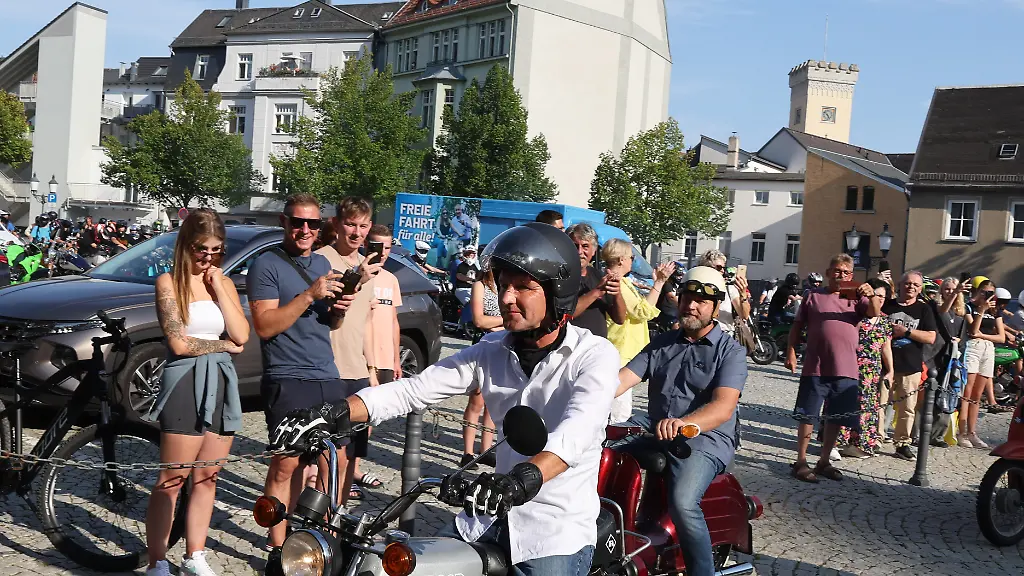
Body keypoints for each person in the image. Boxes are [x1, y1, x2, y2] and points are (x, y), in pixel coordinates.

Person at [273, 221, 619, 575]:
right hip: (486, 515)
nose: (507, 298)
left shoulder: (593, 356)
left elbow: (576, 433)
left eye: (523, 287)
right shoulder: (490, 350)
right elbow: (414, 389)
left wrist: (521, 479)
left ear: (557, 291)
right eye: (503, 286)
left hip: (553, 531)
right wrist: (331, 413)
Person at [246, 193, 356, 574]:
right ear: (284, 222)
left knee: (336, 462)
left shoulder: (324, 263)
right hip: (288, 375)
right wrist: (310, 294)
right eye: (297, 222)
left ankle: (323, 542)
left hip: (327, 372)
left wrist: (339, 310)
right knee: (286, 465)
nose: (305, 230)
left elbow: (330, 324)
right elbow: (264, 326)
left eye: (312, 224)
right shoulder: (266, 264)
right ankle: (278, 551)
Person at [615, 266, 747, 576]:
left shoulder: (730, 352)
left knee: (683, 502)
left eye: (702, 301)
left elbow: (722, 407)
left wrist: (684, 423)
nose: (692, 305)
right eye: (688, 297)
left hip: (704, 439)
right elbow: (620, 380)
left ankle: (702, 572)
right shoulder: (663, 343)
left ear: (715, 308)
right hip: (655, 427)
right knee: (597, 453)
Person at [143, 208, 250, 576]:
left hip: (220, 382)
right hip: (185, 380)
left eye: (217, 250)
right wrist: (220, 346)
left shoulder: (224, 283)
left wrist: (220, 285)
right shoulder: (168, 282)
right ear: (185, 245)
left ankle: (195, 554)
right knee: (172, 477)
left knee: (208, 476)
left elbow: (242, 336)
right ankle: (157, 559)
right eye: (201, 249)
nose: (208, 257)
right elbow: (178, 344)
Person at [314, 196, 384, 502]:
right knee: (330, 457)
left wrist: (371, 371)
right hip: (327, 368)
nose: (357, 233)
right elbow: (329, 312)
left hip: (357, 370)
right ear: (337, 224)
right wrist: (356, 279)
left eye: (363, 226)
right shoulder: (321, 260)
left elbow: (365, 323)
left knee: (352, 456)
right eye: (351, 224)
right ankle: (318, 528)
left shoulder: (367, 267)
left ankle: (337, 520)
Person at [787, 254, 874, 483]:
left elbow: (874, 312)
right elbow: (798, 325)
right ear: (828, 272)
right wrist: (791, 351)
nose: (841, 276)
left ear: (852, 275)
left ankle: (824, 460)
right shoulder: (813, 295)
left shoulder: (853, 295)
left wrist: (871, 294)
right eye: (837, 271)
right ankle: (801, 461)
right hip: (816, 365)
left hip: (845, 367)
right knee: (808, 415)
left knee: (835, 417)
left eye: (846, 272)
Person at [601, 239, 674, 423]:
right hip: (621, 352)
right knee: (619, 413)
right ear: (621, 259)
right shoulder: (618, 283)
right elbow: (643, 311)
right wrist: (659, 283)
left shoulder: (622, 282)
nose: (632, 261)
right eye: (631, 257)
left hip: (621, 351)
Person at [360, 224, 402, 492]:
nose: (383, 252)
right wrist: (370, 367)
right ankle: (348, 469)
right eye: (377, 246)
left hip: (387, 360)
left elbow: (394, 321)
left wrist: (396, 360)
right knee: (358, 418)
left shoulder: (390, 279)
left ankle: (352, 466)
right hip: (365, 360)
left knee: (372, 420)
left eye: (388, 246)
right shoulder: (361, 277)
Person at [881, 271, 938, 460]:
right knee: (879, 405)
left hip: (910, 366)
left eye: (915, 285)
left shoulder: (924, 310)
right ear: (899, 285)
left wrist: (906, 332)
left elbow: (930, 337)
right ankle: (875, 439)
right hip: (884, 365)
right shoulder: (888, 306)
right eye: (907, 283)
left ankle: (902, 444)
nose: (911, 287)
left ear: (920, 289)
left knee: (907, 408)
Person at [836, 278, 893, 458]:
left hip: (872, 370)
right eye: (876, 295)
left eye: (883, 296)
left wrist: (890, 370)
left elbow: (885, 346)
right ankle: (837, 443)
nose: (880, 299)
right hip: (851, 363)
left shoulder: (884, 320)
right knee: (844, 401)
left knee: (866, 406)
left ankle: (859, 444)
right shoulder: (856, 313)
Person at [462, 266, 503, 468]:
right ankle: (468, 452)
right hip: (484, 344)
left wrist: (496, 324)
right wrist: (506, 321)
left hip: (503, 344)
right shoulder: (480, 285)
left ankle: (486, 449)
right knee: (476, 400)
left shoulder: (505, 286)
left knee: (493, 402)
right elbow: (479, 320)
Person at [959, 279, 1005, 448]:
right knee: (967, 391)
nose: (987, 296)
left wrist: (983, 336)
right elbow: (972, 330)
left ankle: (972, 432)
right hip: (973, 347)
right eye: (984, 292)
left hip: (988, 347)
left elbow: (1001, 337)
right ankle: (961, 432)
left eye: (991, 293)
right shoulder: (970, 307)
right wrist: (981, 310)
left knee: (977, 395)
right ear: (978, 292)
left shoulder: (996, 311)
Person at [566, 222, 625, 337]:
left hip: (597, 349)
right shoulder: (560, 276)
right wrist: (597, 291)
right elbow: (567, 314)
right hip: (571, 349)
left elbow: (620, 319)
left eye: (585, 246)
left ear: (594, 250)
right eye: (575, 245)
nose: (579, 252)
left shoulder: (598, 275)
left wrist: (617, 293)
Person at [697, 250, 750, 338]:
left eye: (723, 267)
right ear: (706, 268)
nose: (722, 271)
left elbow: (744, 315)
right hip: (700, 335)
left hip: (724, 336)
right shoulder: (696, 287)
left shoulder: (729, 288)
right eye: (718, 267)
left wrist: (743, 294)